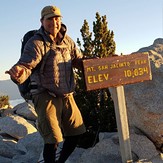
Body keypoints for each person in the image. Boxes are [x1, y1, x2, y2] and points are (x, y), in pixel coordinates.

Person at [5, 5, 86, 163]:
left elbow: (78, 60)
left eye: (57, 18)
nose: (54, 22)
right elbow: (26, 65)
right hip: (45, 94)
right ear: (42, 21)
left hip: (66, 93)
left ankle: (60, 161)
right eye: (49, 19)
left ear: (60, 20)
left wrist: (98, 63)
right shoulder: (36, 42)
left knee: (77, 132)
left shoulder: (67, 40)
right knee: (52, 139)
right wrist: (18, 74)